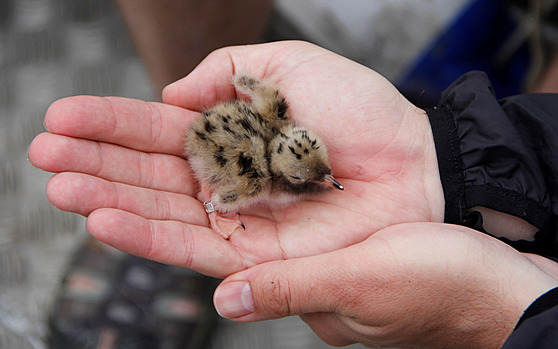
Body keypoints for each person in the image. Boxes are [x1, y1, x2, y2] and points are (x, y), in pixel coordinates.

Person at [28, 41, 558, 348]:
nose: (329, 177)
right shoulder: (259, 176)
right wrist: (217, 206)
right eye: (317, 176)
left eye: (323, 169)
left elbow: (262, 94)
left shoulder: (282, 134)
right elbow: (238, 167)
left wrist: (501, 306)